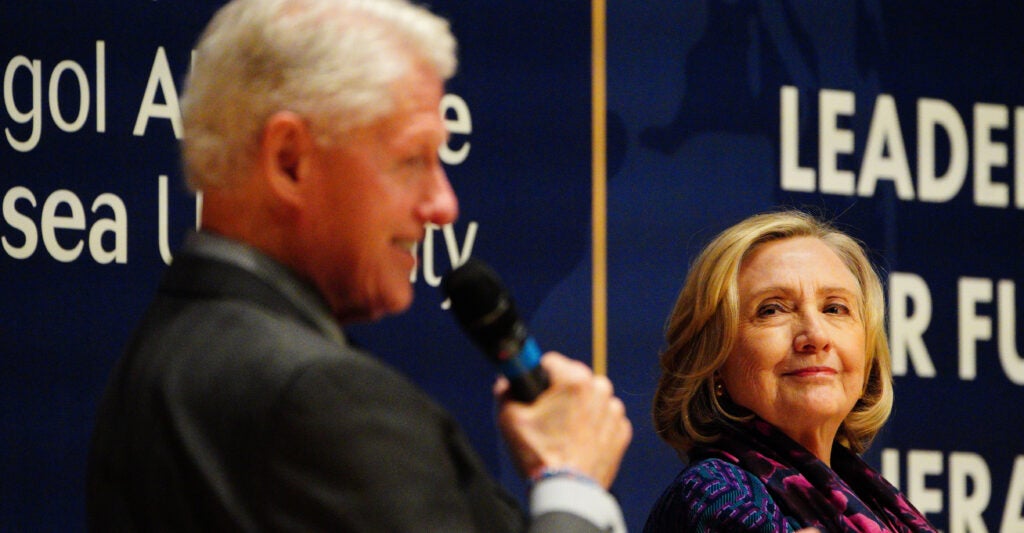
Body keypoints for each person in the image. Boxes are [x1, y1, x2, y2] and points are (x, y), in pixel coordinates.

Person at [85, 0, 631, 530]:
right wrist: (572, 485)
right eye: (412, 160)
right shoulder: (320, 397)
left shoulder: (160, 354)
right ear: (289, 161)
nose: (443, 205)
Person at [644, 210, 936, 532]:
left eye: (834, 308)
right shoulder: (719, 495)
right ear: (714, 362)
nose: (816, 336)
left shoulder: (877, 505)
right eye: (772, 310)